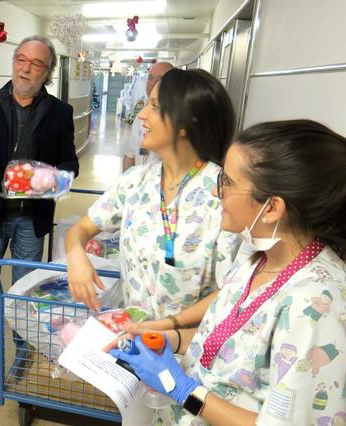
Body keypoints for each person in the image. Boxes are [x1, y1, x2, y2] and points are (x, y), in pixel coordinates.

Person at [110, 119, 346, 425]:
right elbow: (231, 343)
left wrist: (183, 390)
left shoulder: (315, 306)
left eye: (227, 182)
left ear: (272, 208)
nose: (214, 190)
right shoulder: (259, 260)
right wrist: (171, 338)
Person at [66, 68, 241, 317]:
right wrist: (75, 255)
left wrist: (168, 329)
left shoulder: (223, 194)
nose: (142, 114)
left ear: (186, 122)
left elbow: (233, 292)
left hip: (189, 340)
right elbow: (81, 229)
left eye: (155, 106)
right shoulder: (136, 182)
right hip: (134, 333)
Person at [0, 35, 79, 360]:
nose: (26, 68)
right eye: (21, 59)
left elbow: (70, 163)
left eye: (36, 64)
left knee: (25, 286)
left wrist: (51, 179)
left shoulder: (60, 112)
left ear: (47, 72)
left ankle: (23, 345)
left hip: (31, 217)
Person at [122, 61, 173, 172]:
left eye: (160, 79)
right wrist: (127, 180)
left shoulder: (173, 119)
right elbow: (130, 154)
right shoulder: (140, 116)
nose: (152, 83)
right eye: (150, 78)